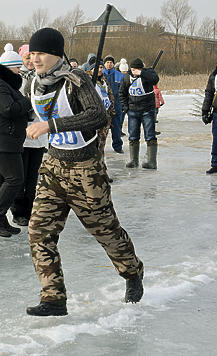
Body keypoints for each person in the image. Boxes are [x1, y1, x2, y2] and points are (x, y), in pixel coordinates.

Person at [24, 28, 144, 316]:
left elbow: (98, 115)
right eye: (33, 53)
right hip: (53, 167)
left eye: (41, 53)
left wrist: (51, 126)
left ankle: (132, 272)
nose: (35, 58)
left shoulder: (76, 81)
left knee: (104, 230)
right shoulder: (34, 83)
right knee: (39, 231)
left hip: (85, 171)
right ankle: (53, 298)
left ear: (56, 54)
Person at [0, 43, 32, 237]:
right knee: (15, 179)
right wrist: (30, 101)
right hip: (2, 140)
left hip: (6, 138)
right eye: (17, 67)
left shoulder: (3, 83)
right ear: (8, 67)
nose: (20, 70)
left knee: (0, 181)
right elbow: (8, 109)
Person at [10, 44, 47, 227]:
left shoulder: (43, 76)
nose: (31, 61)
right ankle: (18, 210)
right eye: (27, 58)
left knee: (34, 175)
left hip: (40, 134)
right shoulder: (17, 78)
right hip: (23, 133)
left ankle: (31, 207)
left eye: (34, 57)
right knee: (21, 176)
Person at [119, 58, 160, 169]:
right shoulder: (127, 78)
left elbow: (155, 80)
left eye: (137, 69)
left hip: (147, 110)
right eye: (133, 69)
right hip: (133, 111)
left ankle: (152, 162)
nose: (134, 71)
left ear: (142, 68)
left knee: (150, 135)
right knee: (133, 136)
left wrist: (142, 73)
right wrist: (126, 108)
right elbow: (122, 93)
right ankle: (134, 160)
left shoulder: (148, 74)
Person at [86, 58, 115, 155]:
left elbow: (110, 96)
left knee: (101, 143)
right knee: (92, 143)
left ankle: (100, 163)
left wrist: (111, 113)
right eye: (96, 67)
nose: (99, 70)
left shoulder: (104, 82)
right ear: (91, 69)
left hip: (105, 116)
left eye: (101, 67)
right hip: (92, 118)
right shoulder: (87, 81)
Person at [103, 54, 125, 153]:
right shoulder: (100, 74)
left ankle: (117, 146)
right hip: (103, 106)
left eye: (111, 62)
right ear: (104, 64)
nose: (109, 64)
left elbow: (124, 91)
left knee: (117, 128)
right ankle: (99, 146)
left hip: (116, 105)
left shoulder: (119, 75)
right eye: (107, 62)